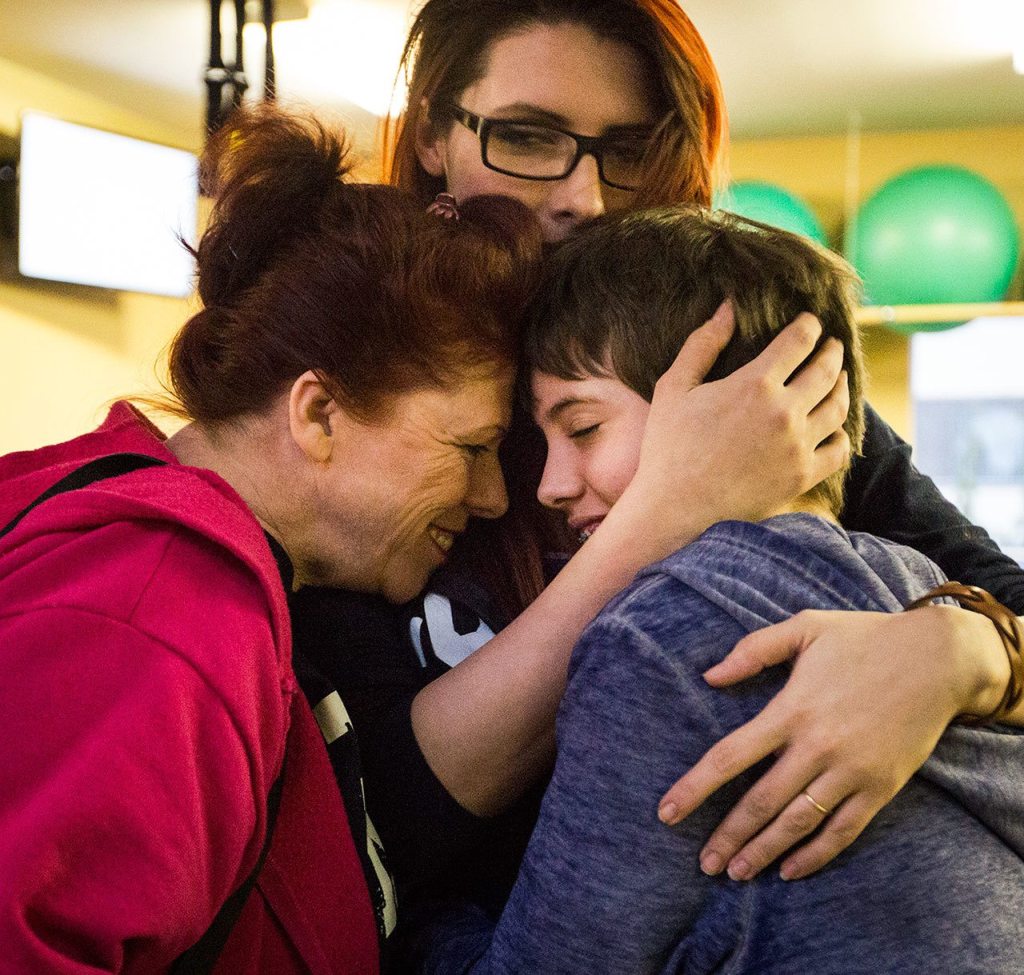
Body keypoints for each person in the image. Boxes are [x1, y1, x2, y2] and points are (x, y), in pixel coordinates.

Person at [369, 0, 1024, 890]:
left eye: (630, 150)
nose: (584, 198)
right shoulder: (370, 393)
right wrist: (673, 507)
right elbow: (372, 822)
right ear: (430, 137)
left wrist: (959, 656)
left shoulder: (757, 393)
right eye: (527, 137)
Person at [0, 104, 557, 973]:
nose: (492, 496)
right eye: (471, 449)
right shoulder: (167, 609)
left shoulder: (125, 521)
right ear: (319, 412)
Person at [412, 206, 1024, 975]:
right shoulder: (924, 586)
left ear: (730, 400)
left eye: (584, 427)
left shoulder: (664, 635)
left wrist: (422, 923)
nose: (550, 485)